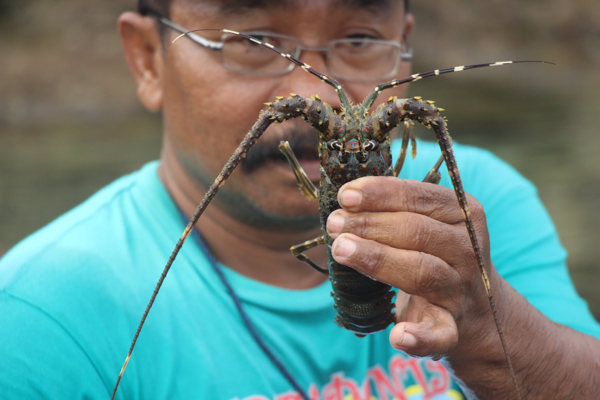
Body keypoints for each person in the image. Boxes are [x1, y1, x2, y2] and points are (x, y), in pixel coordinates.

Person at [1, 0, 599, 399]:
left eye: (361, 37)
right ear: (147, 59)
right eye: (254, 38)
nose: (314, 90)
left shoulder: (480, 204)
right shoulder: (33, 318)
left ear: (405, 46)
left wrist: (499, 336)